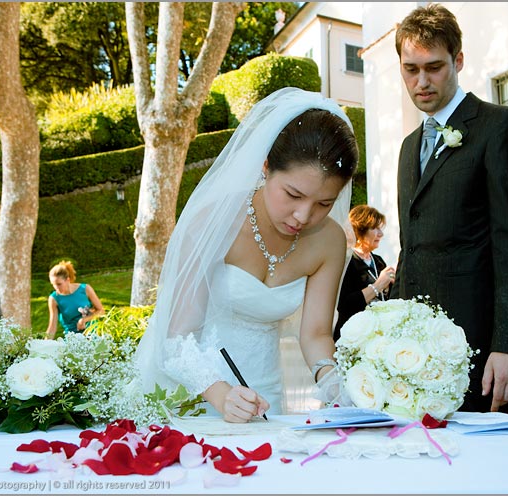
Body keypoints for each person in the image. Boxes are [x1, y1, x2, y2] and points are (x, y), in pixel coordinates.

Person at [134, 87, 359, 422]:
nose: (303, 215)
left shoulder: (329, 240)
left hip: (266, 395)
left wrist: (334, 385)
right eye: (293, 194)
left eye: (323, 204)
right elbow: (178, 338)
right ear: (266, 167)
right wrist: (222, 395)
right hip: (196, 390)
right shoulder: (214, 221)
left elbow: (315, 335)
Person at [391, 4, 508, 413]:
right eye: (410, 69)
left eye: (434, 67)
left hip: (475, 353)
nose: (421, 81)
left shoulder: (500, 126)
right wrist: (390, 341)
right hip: (412, 357)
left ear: (458, 60)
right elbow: (411, 250)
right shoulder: (408, 148)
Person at [333, 205, 396, 342]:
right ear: (360, 230)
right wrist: (378, 285)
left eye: (381, 229)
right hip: (353, 336)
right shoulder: (346, 261)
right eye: (375, 228)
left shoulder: (378, 261)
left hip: (379, 336)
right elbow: (345, 305)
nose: (381, 234)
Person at [45, 260, 104, 339]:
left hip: (93, 334)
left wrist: (84, 320)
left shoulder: (85, 289)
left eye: (59, 284)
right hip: (72, 338)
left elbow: (101, 311)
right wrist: (44, 344)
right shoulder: (54, 299)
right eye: (53, 284)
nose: (56, 288)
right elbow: (52, 326)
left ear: (67, 280)